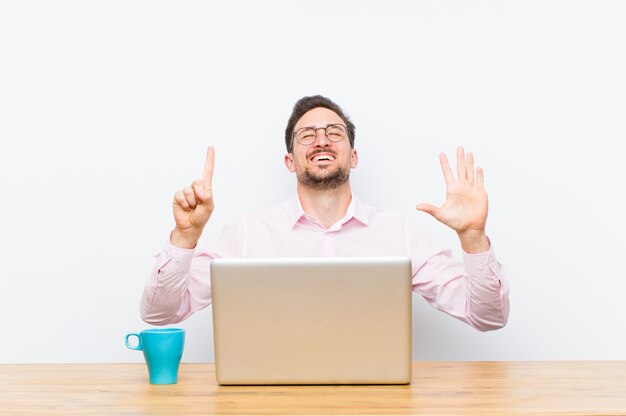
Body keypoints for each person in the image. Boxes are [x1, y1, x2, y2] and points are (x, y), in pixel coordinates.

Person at [141, 95, 509, 331]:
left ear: (353, 156)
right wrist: (185, 238)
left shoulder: (398, 234)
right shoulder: (247, 234)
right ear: (290, 161)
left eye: (334, 133)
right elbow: (160, 314)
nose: (321, 140)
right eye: (307, 135)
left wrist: (473, 239)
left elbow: (488, 317)